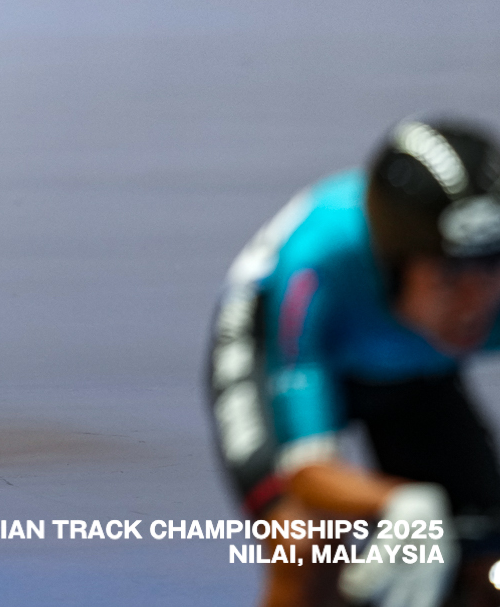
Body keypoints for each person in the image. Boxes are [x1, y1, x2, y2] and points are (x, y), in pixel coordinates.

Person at [207, 117, 500, 607]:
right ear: (393, 264)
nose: (475, 305)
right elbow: (308, 467)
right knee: (306, 541)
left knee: (489, 567)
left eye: (492, 269)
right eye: (450, 280)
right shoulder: (317, 264)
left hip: (414, 369)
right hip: (286, 351)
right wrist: (404, 506)